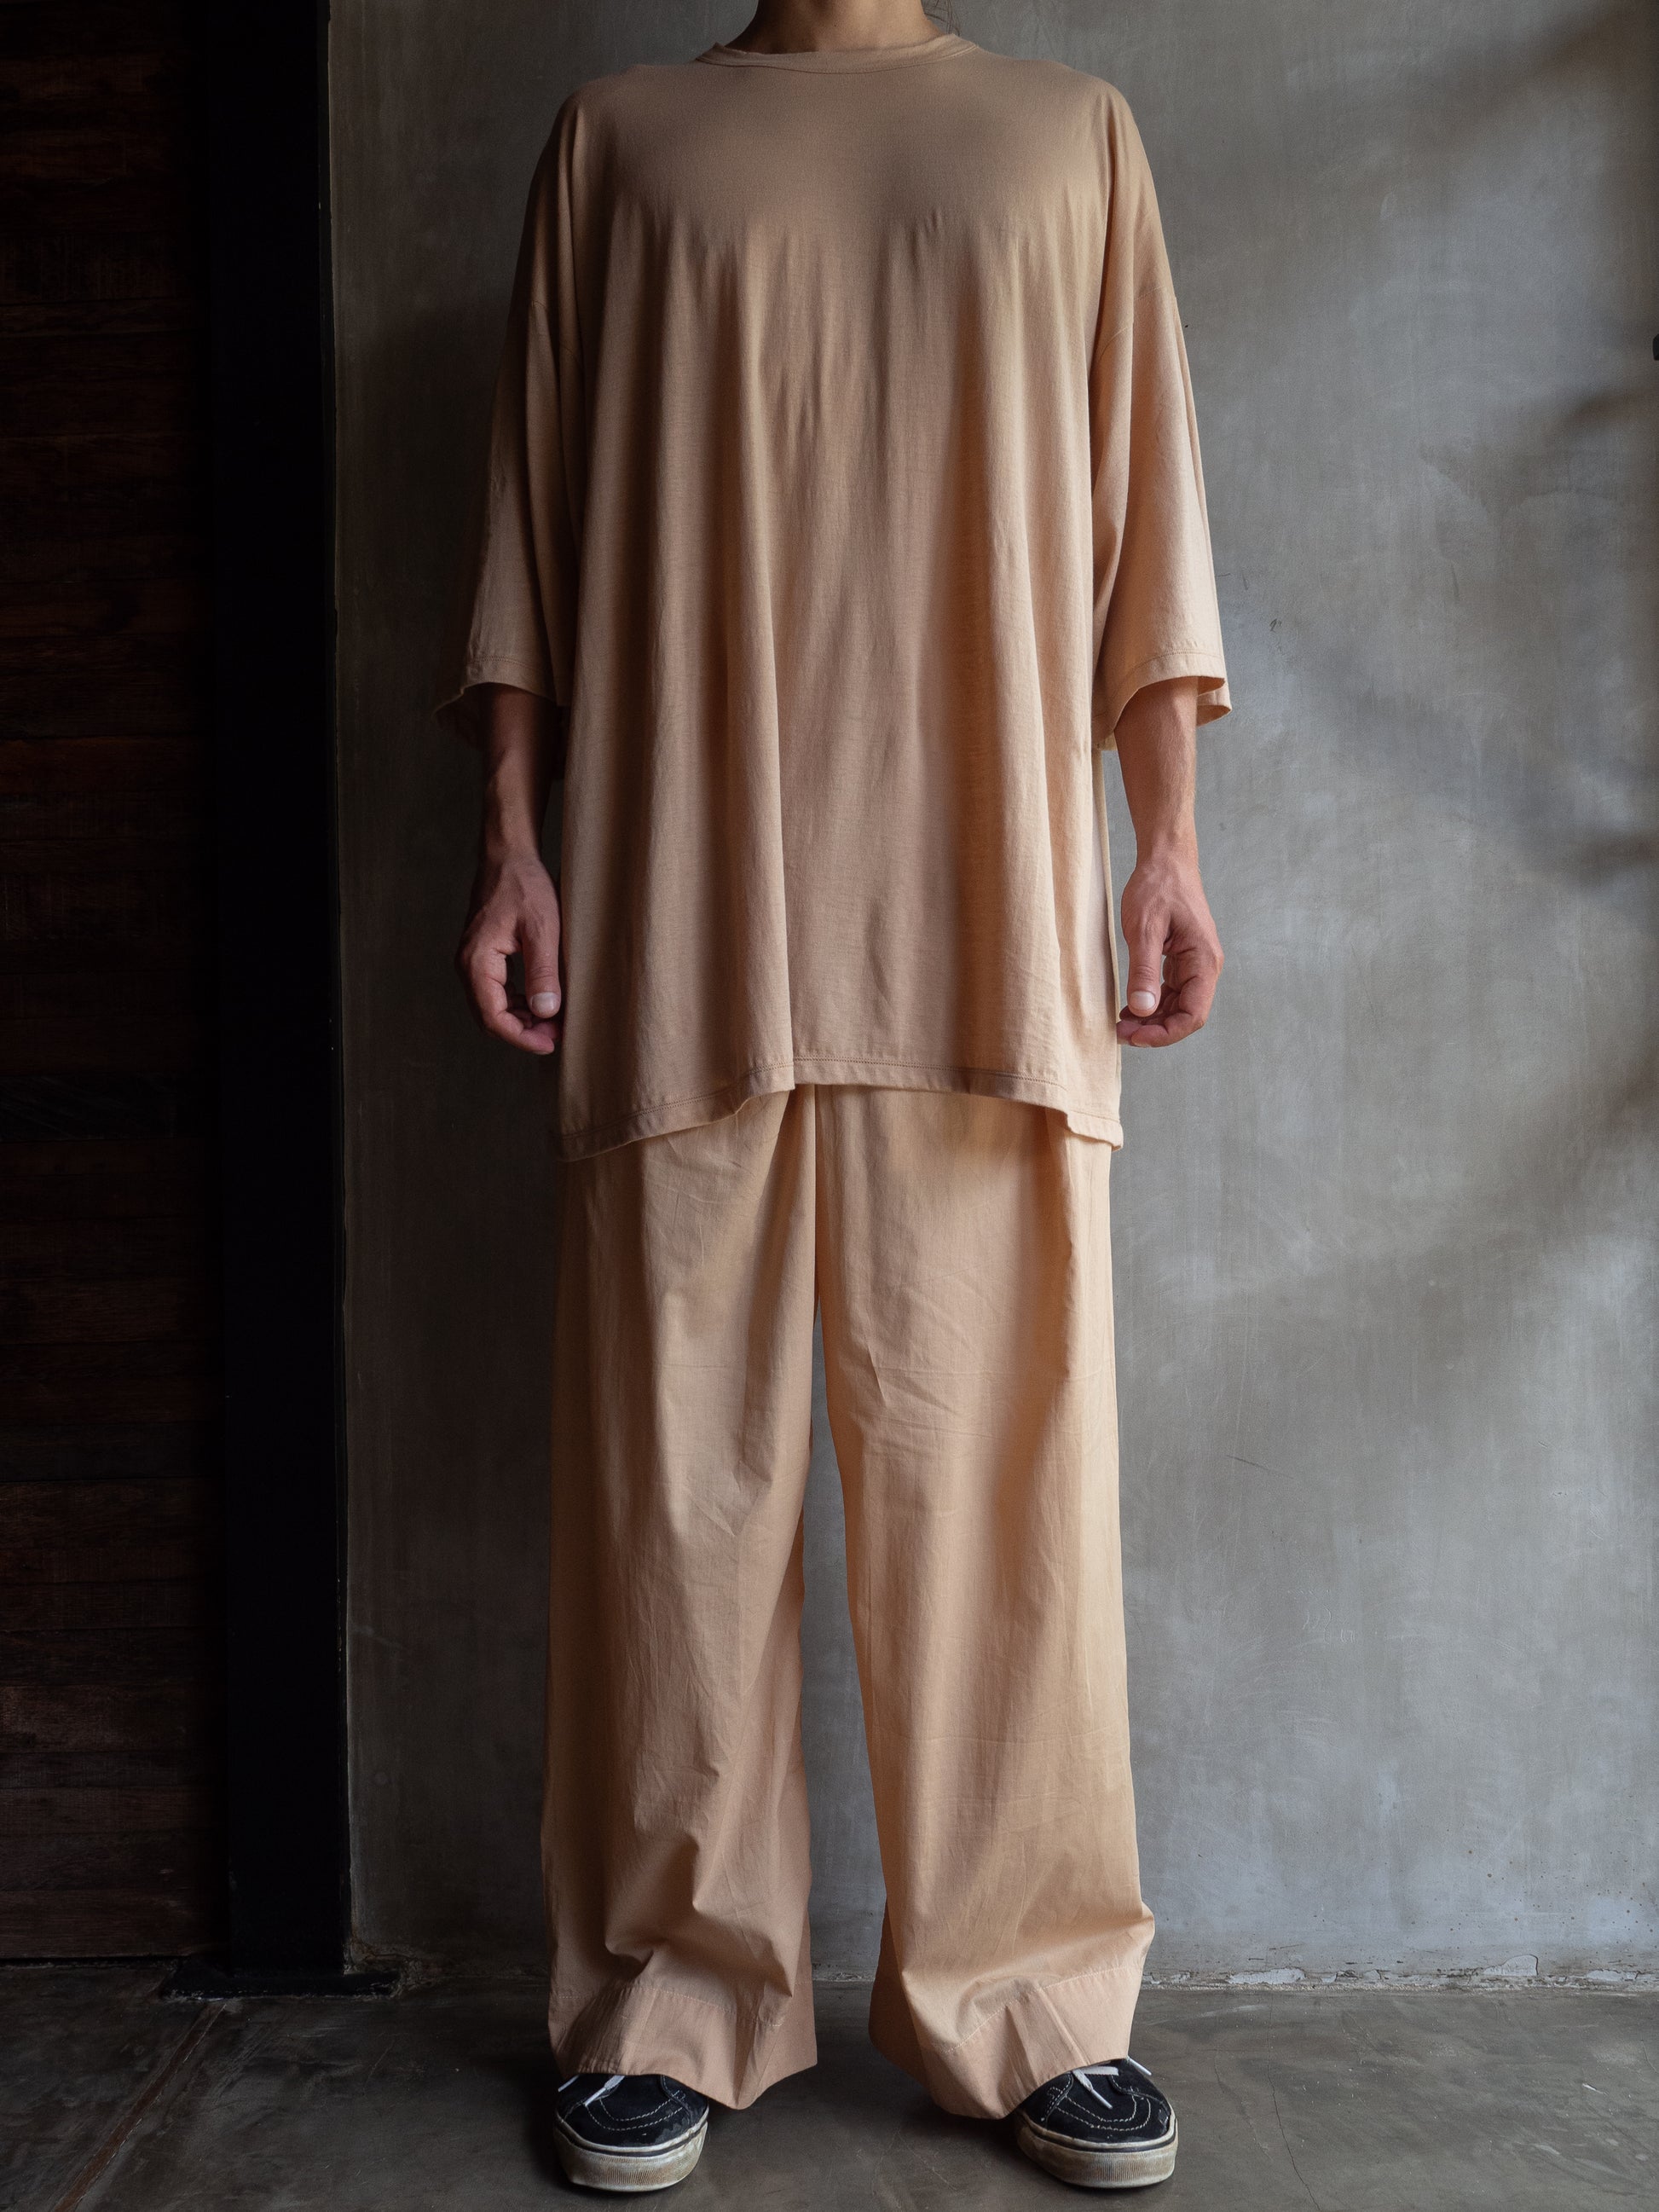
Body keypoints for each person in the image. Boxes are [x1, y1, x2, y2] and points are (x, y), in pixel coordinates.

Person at [437, 0, 1229, 2192]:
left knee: (1003, 1497)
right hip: (685, 894)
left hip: (985, 901)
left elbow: (1142, 516)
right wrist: (511, 840)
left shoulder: (1069, 137)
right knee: (673, 1487)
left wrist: (1166, 844)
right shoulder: (623, 145)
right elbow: (532, 523)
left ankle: (1033, 1998)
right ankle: (669, 1997)